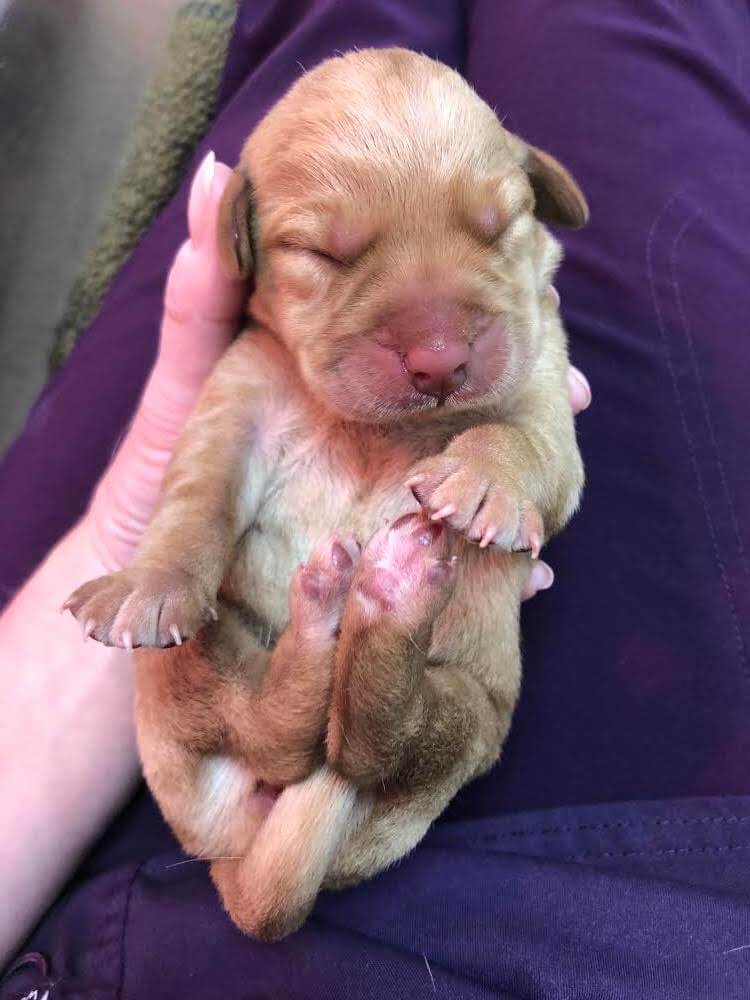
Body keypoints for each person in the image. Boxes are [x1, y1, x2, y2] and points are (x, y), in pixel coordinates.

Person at [1, 2, 748, 997]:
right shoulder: (265, 359)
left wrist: (507, 455)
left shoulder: (511, 334)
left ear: (538, 194)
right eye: (333, 255)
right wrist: (170, 562)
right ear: (246, 240)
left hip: (123, 868)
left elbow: (547, 462)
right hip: (618, 865)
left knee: (340, 16)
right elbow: (201, 493)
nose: (439, 348)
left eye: (492, 231)